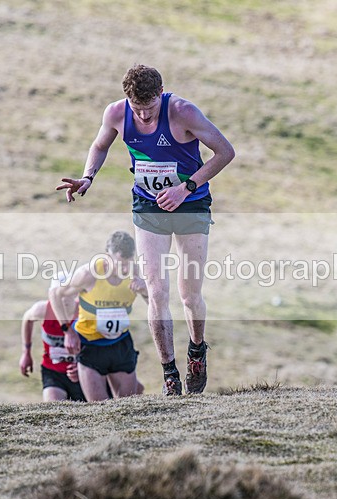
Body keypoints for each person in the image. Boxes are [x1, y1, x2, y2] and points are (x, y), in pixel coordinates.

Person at [56, 65, 235, 396]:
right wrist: (87, 177)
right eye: (137, 109)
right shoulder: (116, 113)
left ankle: (196, 351)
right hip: (148, 205)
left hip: (190, 204)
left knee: (188, 294)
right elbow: (99, 146)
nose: (144, 116)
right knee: (156, 289)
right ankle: (169, 373)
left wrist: (186, 186)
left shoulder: (182, 111)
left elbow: (225, 152)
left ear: (161, 93)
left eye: (150, 109)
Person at [49, 231, 148, 402]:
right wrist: (67, 331)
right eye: (121, 264)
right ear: (108, 257)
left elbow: (155, 303)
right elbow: (56, 294)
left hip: (120, 343)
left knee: (129, 406)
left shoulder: (136, 272)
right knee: (100, 409)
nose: (125, 269)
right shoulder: (89, 273)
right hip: (90, 345)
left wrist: (146, 290)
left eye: (129, 263)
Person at [20, 278, 85, 402]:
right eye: (58, 295)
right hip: (53, 371)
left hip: (84, 372)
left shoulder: (86, 312)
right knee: (53, 411)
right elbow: (27, 318)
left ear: (76, 292)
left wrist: (83, 366)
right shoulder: (43, 310)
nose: (63, 299)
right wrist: (26, 352)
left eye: (67, 294)